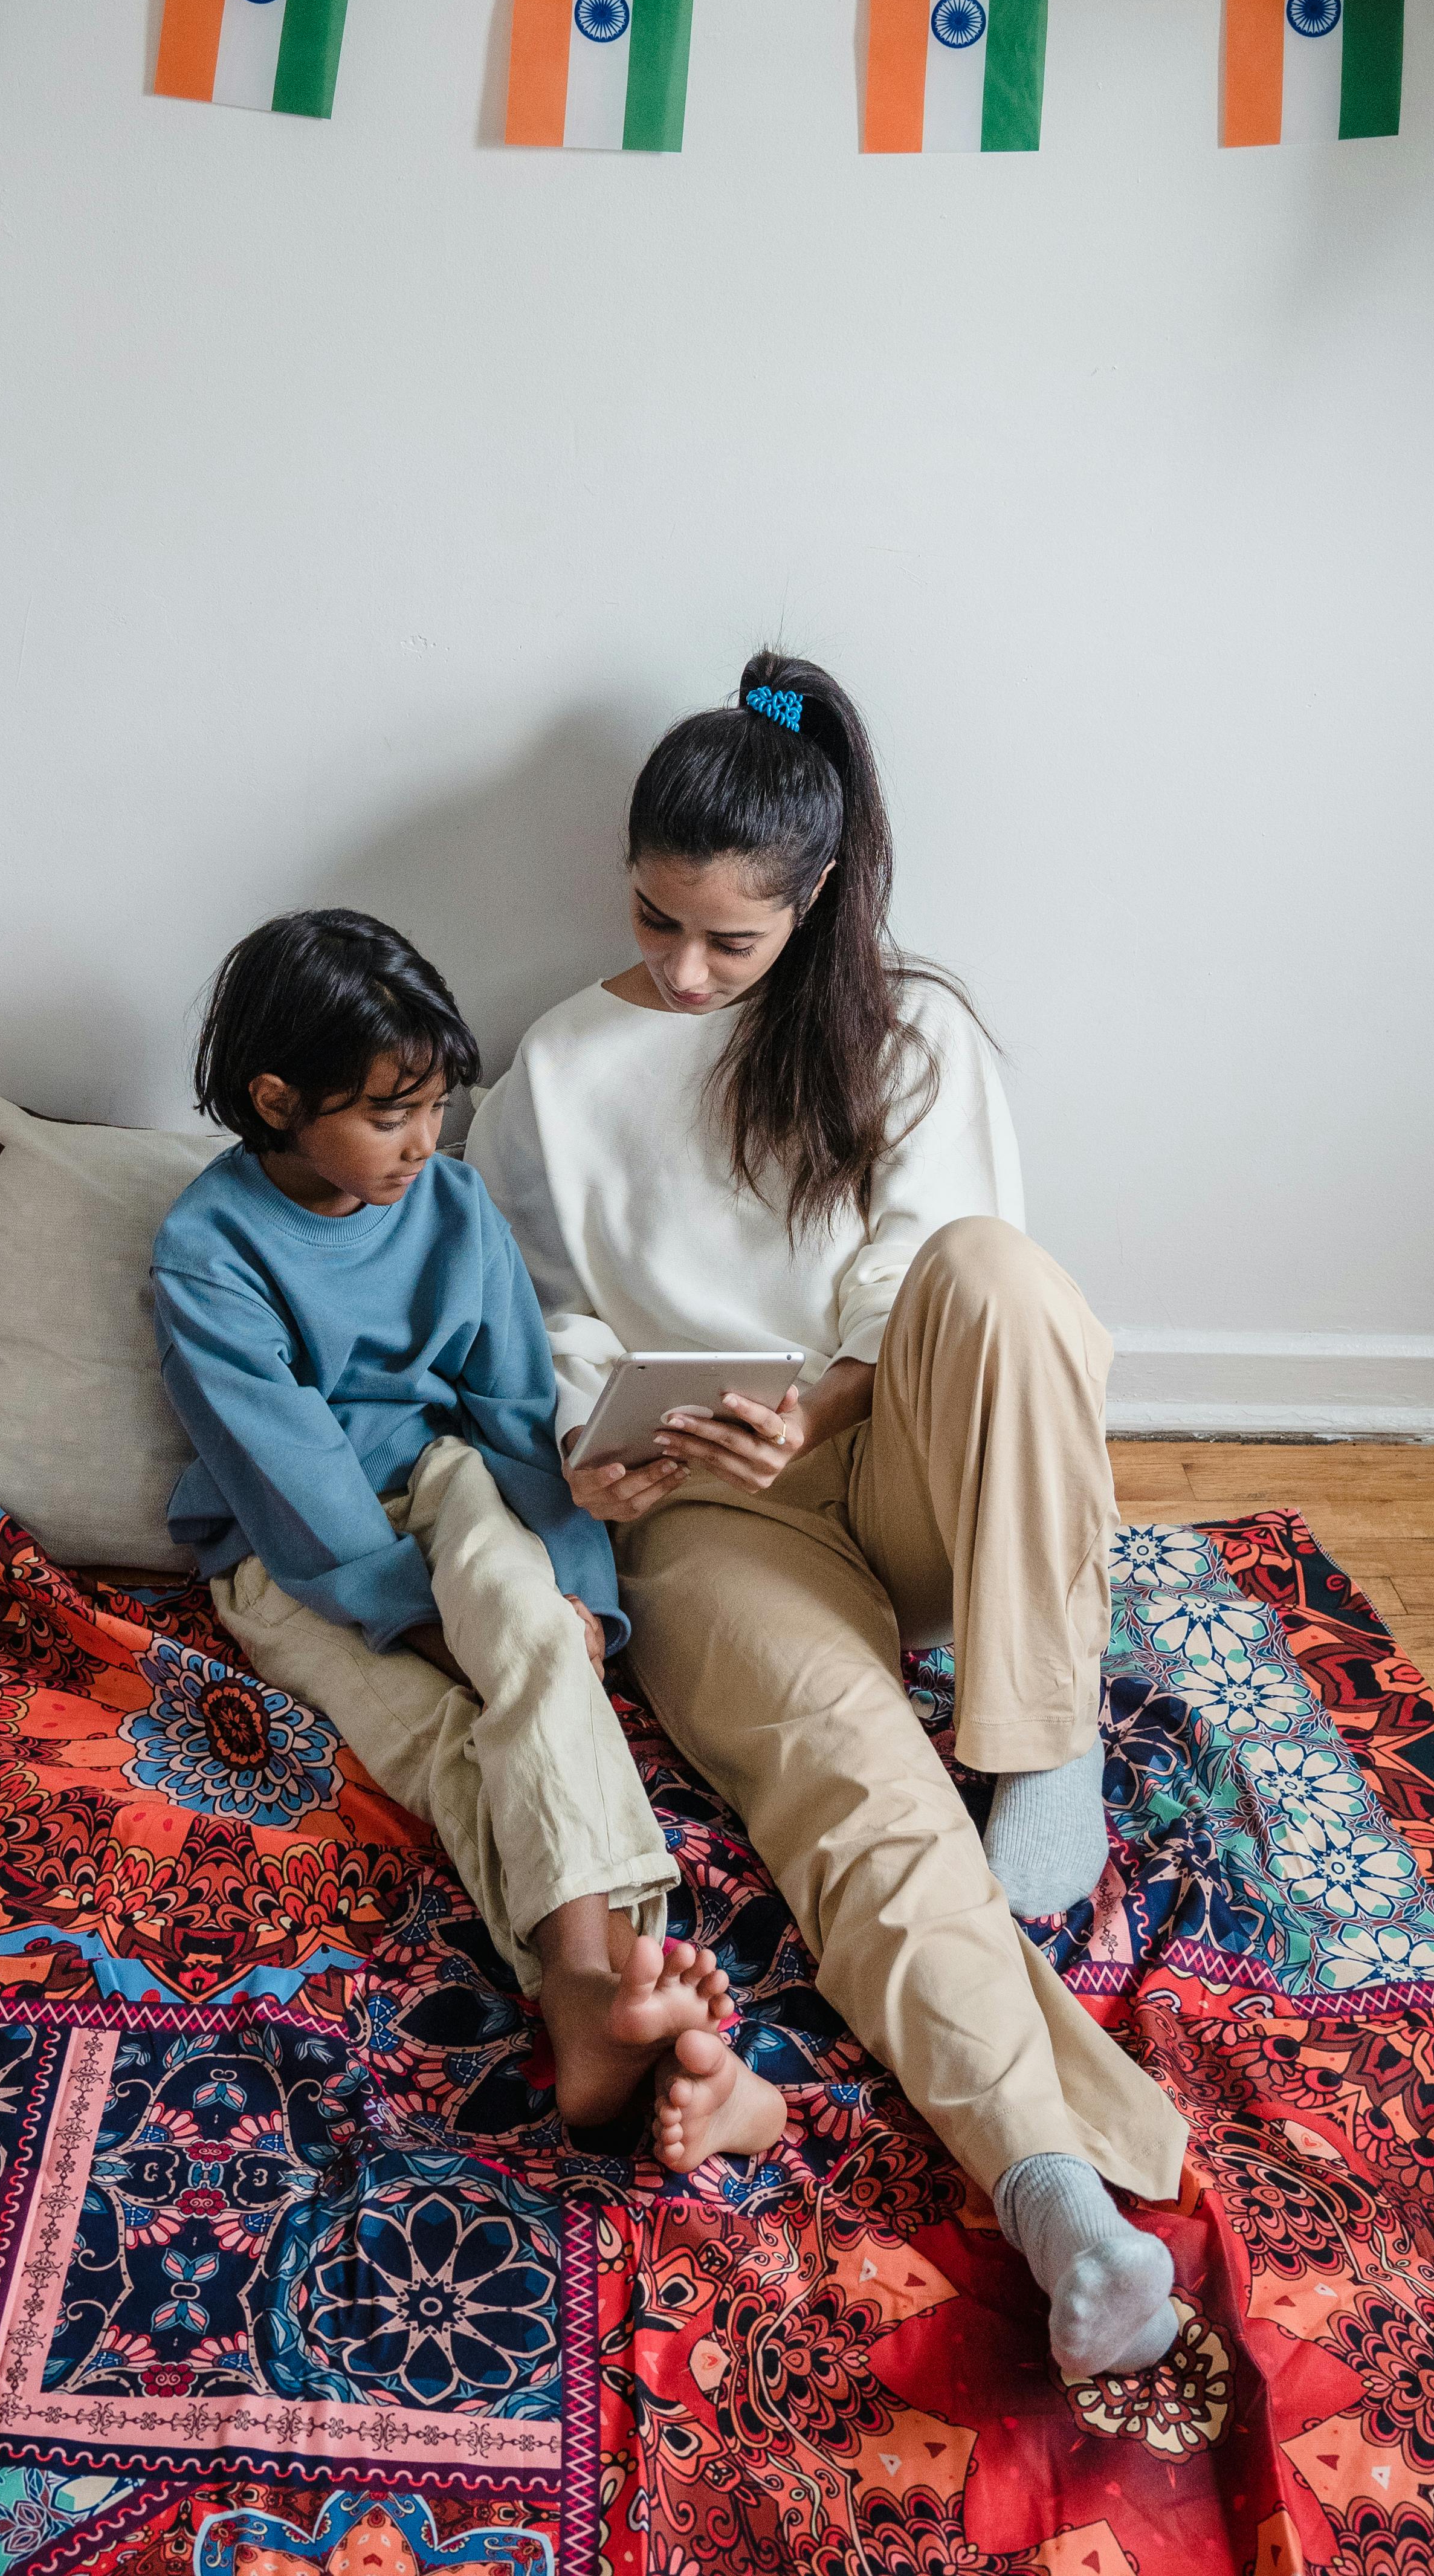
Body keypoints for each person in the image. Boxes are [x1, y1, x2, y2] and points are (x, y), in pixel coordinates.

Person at [468, 657, 1187, 2376]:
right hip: (715, 1517)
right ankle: (1058, 2203)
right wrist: (596, 1457)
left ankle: (1045, 1724)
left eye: (731, 938)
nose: (684, 968)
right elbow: (549, 1328)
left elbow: (927, 1285)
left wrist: (828, 1401)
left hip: (904, 1463)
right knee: (856, 1799)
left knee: (1003, 1281)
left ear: (813, 901)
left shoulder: (909, 1024)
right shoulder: (556, 1072)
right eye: (657, 922)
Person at [154, 904, 738, 2133]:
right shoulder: (207, 1254)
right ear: (274, 1101)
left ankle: (589, 1994)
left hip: (445, 1475)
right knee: (439, 1737)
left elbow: (516, 1419)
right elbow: (295, 1484)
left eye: (433, 1108)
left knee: (531, 1636)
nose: (421, 1142)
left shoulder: (456, 1206)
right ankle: (602, 1988)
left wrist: (578, 1590)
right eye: (384, 1115)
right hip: (285, 1552)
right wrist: (438, 1638)